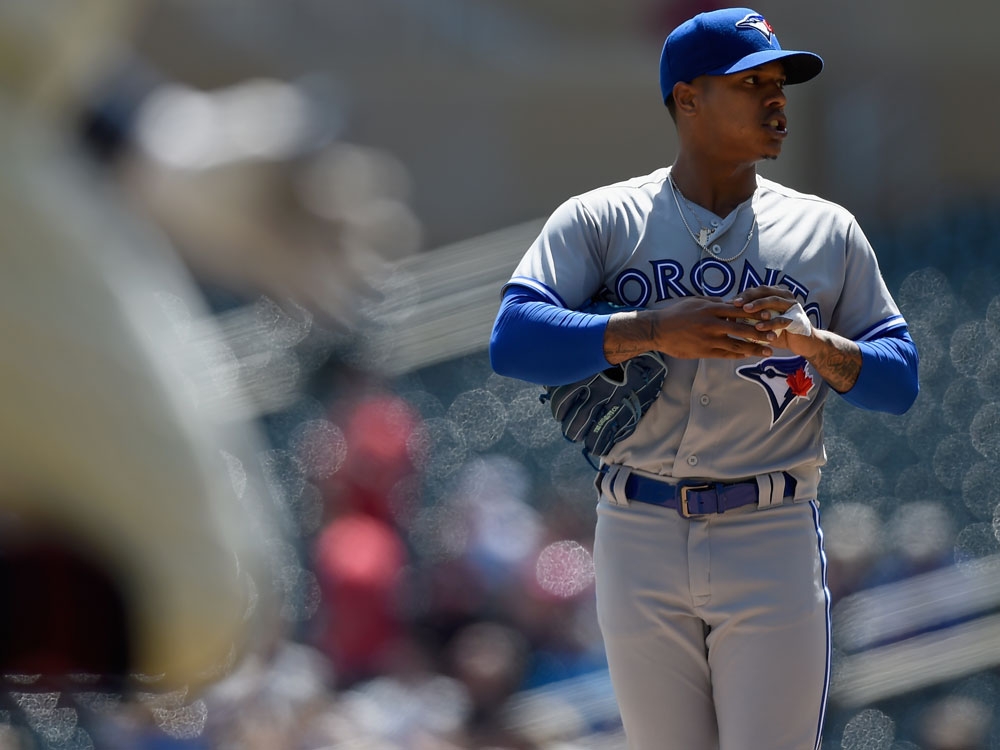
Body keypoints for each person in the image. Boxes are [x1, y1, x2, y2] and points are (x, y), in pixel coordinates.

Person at [489, 8, 918, 749]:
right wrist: (650, 330)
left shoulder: (827, 230)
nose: (777, 100)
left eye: (780, 83)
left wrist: (819, 347)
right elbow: (514, 339)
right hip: (638, 526)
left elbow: (900, 378)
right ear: (688, 99)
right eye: (753, 83)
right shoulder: (604, 219)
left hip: (771, 526)